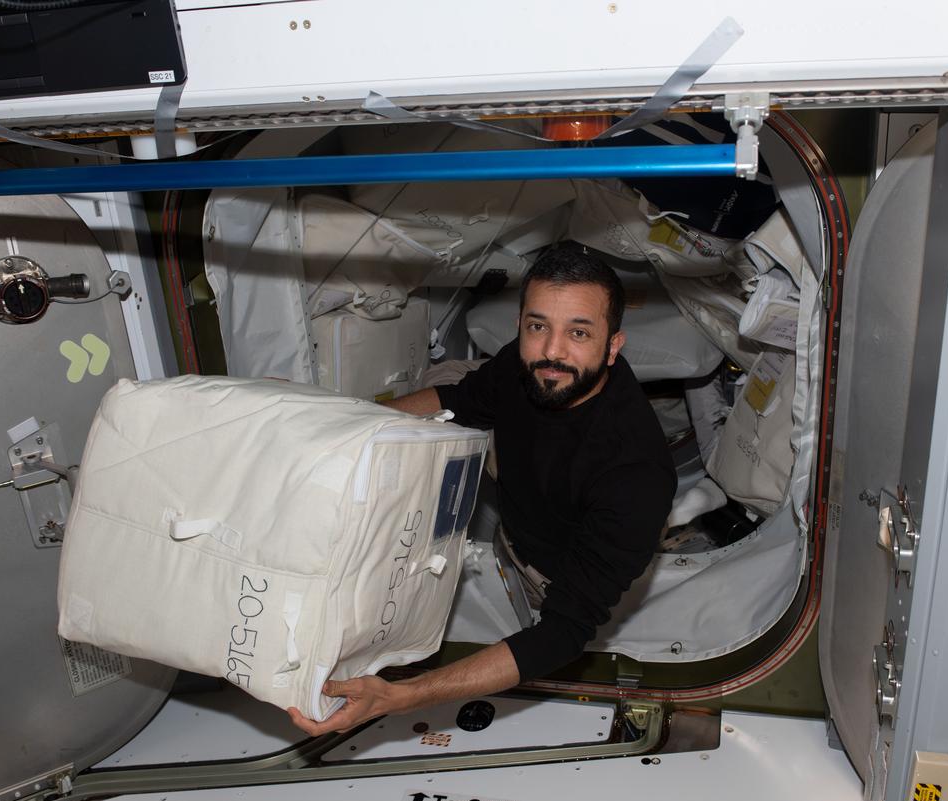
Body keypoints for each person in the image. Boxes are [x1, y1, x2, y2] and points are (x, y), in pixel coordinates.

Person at [287, 243, 677, 735]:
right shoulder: (525, 363)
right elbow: (461, 399)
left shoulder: (634, 475)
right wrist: (344, 422)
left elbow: (563, 632)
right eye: (538, 326)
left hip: (551, 560)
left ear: (613, 345)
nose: (552, 351)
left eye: (579, 333)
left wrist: (402, 696)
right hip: (522, 495)